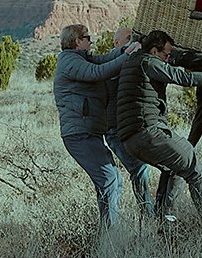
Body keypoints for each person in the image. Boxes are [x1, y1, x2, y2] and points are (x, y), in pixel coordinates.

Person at [114, 29, 202, 219]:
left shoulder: (132, 61)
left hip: (131, 140)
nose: (168, 59)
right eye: (166, 55)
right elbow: (183, 78)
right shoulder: (149, 62)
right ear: (154, 51)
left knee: (174, 168)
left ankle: (165, 221)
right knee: (195, 169)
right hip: (149, 132)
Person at [53, 24, 151, 225]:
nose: (91, 42)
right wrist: (128, 56)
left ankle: (109, 231)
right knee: (109, 180)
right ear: (77, 41)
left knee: (113, 181)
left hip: (88, 131)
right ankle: (109, 234)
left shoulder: (81, 58)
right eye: (87, 38)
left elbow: (105, 58)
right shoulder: (69, 61)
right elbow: (98, 72)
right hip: (79, 134)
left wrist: (128, 48)